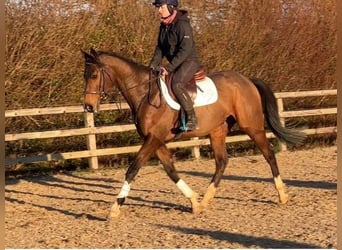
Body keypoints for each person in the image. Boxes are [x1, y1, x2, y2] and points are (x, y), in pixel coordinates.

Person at [150, 0, 201, 131]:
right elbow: (160, 48)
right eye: (158, 7)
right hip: (176, 63)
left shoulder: (182, 25)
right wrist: (152, 66)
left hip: (189, 61)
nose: (159, 10)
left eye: (161, 7)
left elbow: (185, 50)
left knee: (177, 84)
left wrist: (168, 68)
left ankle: (192, 119)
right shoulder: (164, 26)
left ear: (171, 7)